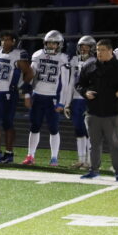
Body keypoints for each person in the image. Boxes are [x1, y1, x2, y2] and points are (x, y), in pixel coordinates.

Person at [77, 39, 118, 181]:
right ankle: (94, 170)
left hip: (112, 113)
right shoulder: (89, 66)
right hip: (93, 112)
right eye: (98, 50)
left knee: (115, 145)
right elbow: (79, 84)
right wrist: (85, 92)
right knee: (94, 144)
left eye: (103, 50)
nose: (99, 53)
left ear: (110, 51)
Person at [20, 30, 72, 166]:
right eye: (49, 43)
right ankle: (30, 156)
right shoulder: (38, 54)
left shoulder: (63, 58)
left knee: (53, 128)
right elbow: (30, 75)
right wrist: (27, 95)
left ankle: (54, 157)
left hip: (52, 97)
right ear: (45, 43)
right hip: (37, 95)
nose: (51, 46)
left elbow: (65, 82)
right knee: (34, 126)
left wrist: (62, 102)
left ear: (60, 45)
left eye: (55, 43)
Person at [0, 30, 33, 164]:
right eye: (3, 39)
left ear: (14, 41)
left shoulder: (18, 54)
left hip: (9, 93)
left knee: (7, 123)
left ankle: (9, 153)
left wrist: (21, 86)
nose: (4, 42)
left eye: (7, 39)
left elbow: (29, 73)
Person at [68, 36, 96, 169]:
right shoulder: (74, 60)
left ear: (92, 48)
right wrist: (67, 102)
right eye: (81, 46)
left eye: (86, 47)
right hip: (76, 99)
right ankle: (81, 159)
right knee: (78, 129)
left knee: (90, 131)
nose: (83, 49)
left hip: (88, 99)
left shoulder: (95, 62)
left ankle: (91, 161)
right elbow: (70, 83)